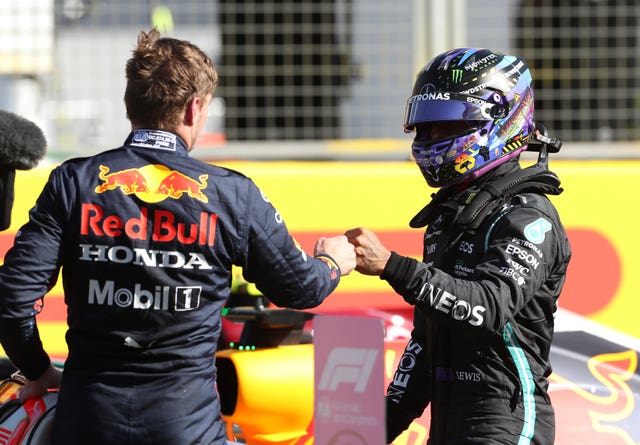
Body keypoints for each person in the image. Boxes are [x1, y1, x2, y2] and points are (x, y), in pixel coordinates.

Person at [0, 28, 355, 445]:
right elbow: (302, 287)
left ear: (128, 104)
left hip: (87, 421)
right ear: (194, 108)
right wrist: (333, 261)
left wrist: (39, 370)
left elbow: (12, 298)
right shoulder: (232, 193)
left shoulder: (73, 182)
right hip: (186, 428)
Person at [346, 48, 571, 444]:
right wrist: (370, 429)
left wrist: (391, 266)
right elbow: (427, 339)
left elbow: (487, 306)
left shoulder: (528, 217)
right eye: (423, 128)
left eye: (444, 127)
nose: (428, 139)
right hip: (450, 425)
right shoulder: (448, 216)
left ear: (500, 119)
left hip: (507, 423)